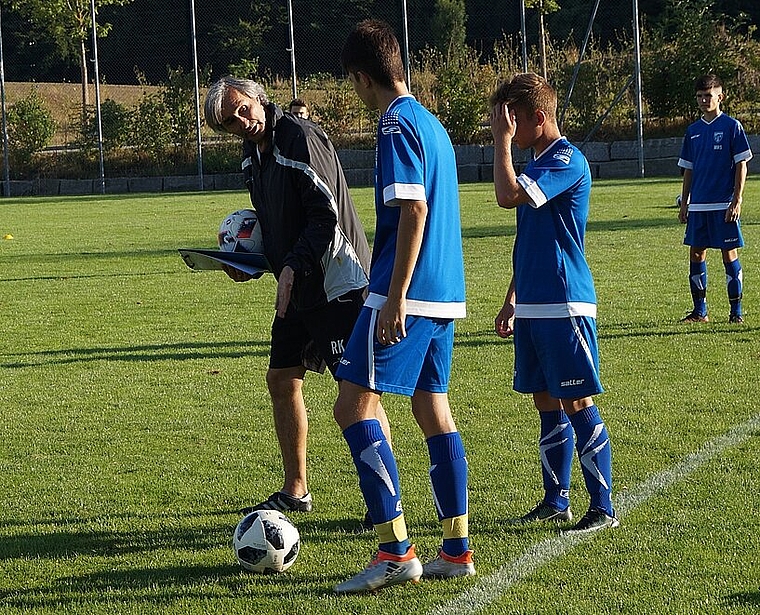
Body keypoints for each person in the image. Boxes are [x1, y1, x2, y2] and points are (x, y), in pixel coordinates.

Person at [204, 76, 391, 524]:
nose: (240, 122)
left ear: (257, 98)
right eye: (230, 122)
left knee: (358, 396)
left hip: (339, 283)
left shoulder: (300, 138)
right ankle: (296, 489)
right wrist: (253, 263)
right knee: (282, 378)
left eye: (242, 110)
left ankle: (382, 497)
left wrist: (292, 265)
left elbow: (324, 216)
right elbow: (277, 223)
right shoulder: (252, 157)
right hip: (297, 282)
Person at [331, 19, 473, 594]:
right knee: (432, 408)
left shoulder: (395, 124)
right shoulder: (433, 123)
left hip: (406, 293)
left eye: (352, 83)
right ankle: (456, 550)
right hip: (446, 296)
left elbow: (413, 212)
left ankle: (395, 551)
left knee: (352, 406)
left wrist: (393, 300)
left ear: (363, 77)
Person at [490, 73, 619, 535]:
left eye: (511, 118)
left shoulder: (567, 159)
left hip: (565, 304)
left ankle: (603, 505)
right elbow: (527, 239)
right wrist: (512, 299)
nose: (504, 125)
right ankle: (556, 499)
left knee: (575, 399)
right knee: (545, 400)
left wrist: (501, 143)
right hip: (534, 306)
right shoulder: (536, 166)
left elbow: (506, 197)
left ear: (538, 119)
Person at [677, 73, 752, 324]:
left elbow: (742, 164)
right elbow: (689, 169)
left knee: (728, 255)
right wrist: (685, 202)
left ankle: (736, 313)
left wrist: (737, 200)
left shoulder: (732, 127)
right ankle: (700, 312)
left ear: (721, 96)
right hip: (698, 205)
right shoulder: (693, 131)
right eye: (699, 96)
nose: (703, 100)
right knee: (696, 254)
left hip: (723, 204)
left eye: (708, 96)